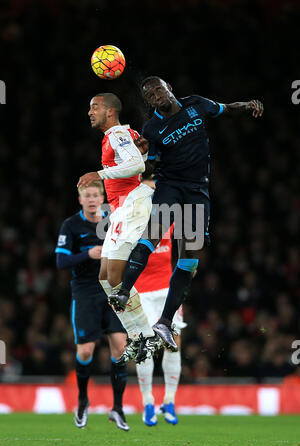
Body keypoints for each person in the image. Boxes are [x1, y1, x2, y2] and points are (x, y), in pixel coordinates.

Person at [108, 76, 264, 354]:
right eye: (150, 95)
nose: (156, 95)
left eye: (159, 89)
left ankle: (165, 322)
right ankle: (122, 291)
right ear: (149, 102)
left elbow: (226, 108)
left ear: (170, 89)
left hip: (197, 192)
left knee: (190, 260)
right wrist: (140, 157)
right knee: (153, 235)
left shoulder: (197, 105)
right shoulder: (152, 127)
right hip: (170, 187)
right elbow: (150, 165)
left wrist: (248, 105)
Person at [77, 93, 162, 365]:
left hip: (132, 203)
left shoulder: (116, 133)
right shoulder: (122, 134)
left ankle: (147, 333)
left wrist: (98, 174)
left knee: (114, 276)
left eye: (95, 107)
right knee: (105, 277)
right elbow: (141, 158)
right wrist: (146, 150)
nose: (90, 112)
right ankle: (137, 334)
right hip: (122, 208)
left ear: (111, 111)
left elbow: (137, 166)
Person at [55, 181, 130, 431]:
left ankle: (117, 409)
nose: (91, 199)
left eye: (95, 195)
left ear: (102, 198)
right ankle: (83, 400)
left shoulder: (113, 220)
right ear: (80, 200)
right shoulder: (71, 225)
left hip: (112, 291)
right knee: (86, 351)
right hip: (85, 294)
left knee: (120, 348)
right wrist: (87, 255)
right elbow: (60, 262)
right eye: (86, 195)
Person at [135, 179, 186, 426]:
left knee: (173, 345)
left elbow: (188, 241)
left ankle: (169, 401)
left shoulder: (168, 218)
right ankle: (147, 402)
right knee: (144, 348)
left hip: (166, 290)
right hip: (141, 293)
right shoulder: (131, 221)